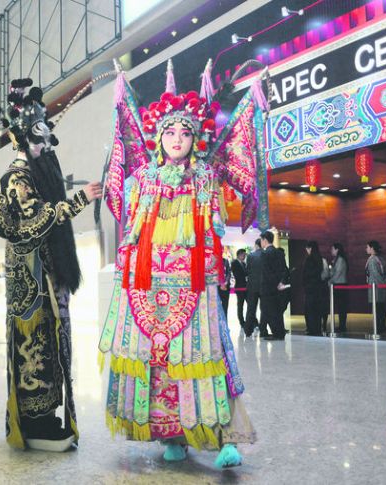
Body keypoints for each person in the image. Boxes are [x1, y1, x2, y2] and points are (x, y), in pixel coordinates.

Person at [97, 61, 258, 468]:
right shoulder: (140, 181)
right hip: (146, 285)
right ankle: (171, 435)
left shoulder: (206, 178)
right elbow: (130, 230)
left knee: (206, 358)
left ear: (196, 138)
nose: (177, 139)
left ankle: (223, 438)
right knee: (158, 364)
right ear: (156, 136)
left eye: (185, 132)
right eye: (169, 131)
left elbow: (214, 228)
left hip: (195, 284)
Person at [0, 77, 102, 452]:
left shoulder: (32, 174)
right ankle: (35, 420)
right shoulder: (16, 178)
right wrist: (78, 201)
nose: (44, 146)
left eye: (46, 140)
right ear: (24, 139)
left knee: (53, 344)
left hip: (45, 277)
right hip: (30, 282)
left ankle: (49, 414)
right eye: (38, 140)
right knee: (34, 346)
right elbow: (34, 221)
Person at [260, 231, 287, 340]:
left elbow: (266, 273)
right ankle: (280, 333)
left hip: (268, 288)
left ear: (265, 240)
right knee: (277, 311)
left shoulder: (265, 254)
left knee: (269, 311)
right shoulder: (279, 253)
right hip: (278, 288)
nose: (261, 242)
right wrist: (281, 282)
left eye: (261, 240)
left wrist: (272, 284)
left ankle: (276, 333)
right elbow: (284, 270)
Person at [302, 241, 326, 336]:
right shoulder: (319, 259)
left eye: (307, 248)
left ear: (310, 248)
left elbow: (306, 274)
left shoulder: (309, 259)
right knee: (317, 309)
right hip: (318, 287)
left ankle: (311, 329)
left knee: (309, 309)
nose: (307, 250)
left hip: (310, 288)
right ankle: (317, 329)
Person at [366, 240, 386, 334]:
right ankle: (382, 325)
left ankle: (378, 327)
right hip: (381, 286)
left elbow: (375, 274)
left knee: (377, 307)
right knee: (381, 307)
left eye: (367, 247)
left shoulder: (372, 260)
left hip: (375, 286)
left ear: (372, 248)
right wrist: (385, 284)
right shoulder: (381, 259)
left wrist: (380, 285)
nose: (366, 249)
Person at [245, 239, 264, 337]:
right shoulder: (265, 255)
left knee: (251, 309)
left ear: (256, 245)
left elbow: (247, 270)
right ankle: (263, 329)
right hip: (263, 285)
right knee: (264, 309)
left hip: (252, 286)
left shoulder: (250, 256)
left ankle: (248, 330)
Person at [328, 243, 349, 332]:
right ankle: (341, 325)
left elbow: (338, 273)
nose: (331, 250)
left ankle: (342, 325)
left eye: (332, 249)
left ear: (337, 250)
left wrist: (330, 281)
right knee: (340, 306)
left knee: (342, 306)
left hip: (340, 284)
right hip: (338, 284)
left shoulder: (340, 260)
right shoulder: (336, 260)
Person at [231, 249, 248, 332]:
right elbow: (238, 274)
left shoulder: (244, 263)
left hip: (246, 287)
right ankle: (242, 322)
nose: (244, 256)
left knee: (250, 304)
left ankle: (252, 321)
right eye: (243, 254)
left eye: (245, 255)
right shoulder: (234, 263)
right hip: (239, 287)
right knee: (240, 305)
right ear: (239, 255)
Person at [218, 252, 232, 318]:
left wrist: (226, 282)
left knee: (225, 306)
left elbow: (228, 273)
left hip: (225, 287)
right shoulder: (211, 262)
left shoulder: (225, 261)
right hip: (216, 287)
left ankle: (225, 323)